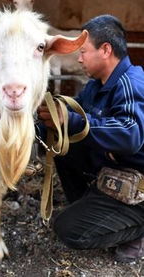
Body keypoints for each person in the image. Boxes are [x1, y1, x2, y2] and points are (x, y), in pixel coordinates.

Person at [37, 14, 144, 263]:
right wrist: (39, 127)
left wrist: (71, 122)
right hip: (114, 173)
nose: (79, 58)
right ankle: (95, 207)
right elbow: (69, 126)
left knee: (68, 230)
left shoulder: (132, 84)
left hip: (137, 185)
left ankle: (138, 229)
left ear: (105, 50)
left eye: (83, 51)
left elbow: (130, 136)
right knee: (65, 146)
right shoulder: (95, 86)